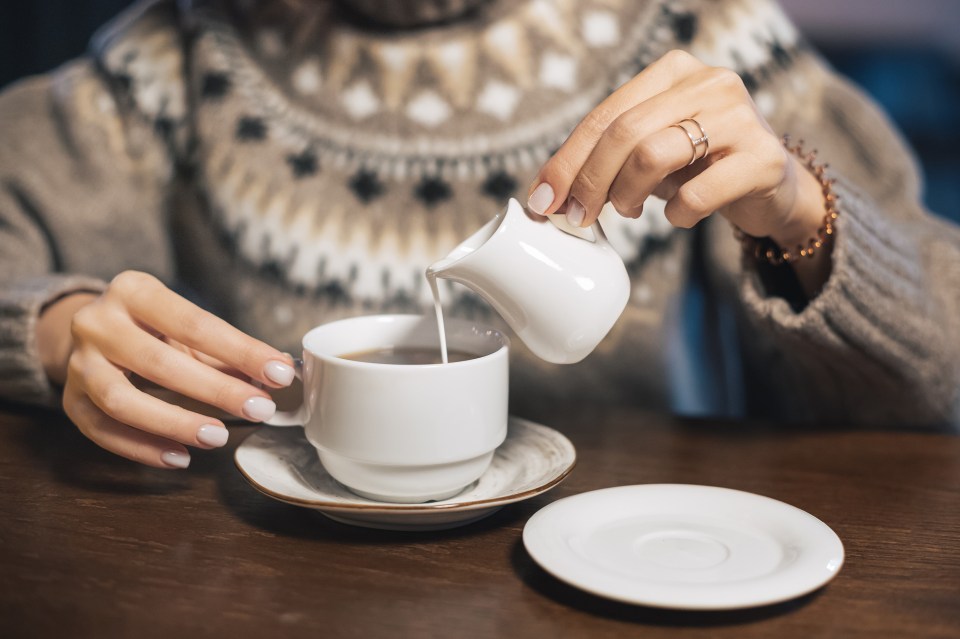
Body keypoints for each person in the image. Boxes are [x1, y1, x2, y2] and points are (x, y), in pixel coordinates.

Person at [1, 0, 958, 470]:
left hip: (616, 569)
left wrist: (805, 218)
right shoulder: (178, 51)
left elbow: (942, 363)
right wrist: (51, 328)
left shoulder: (697, 29)